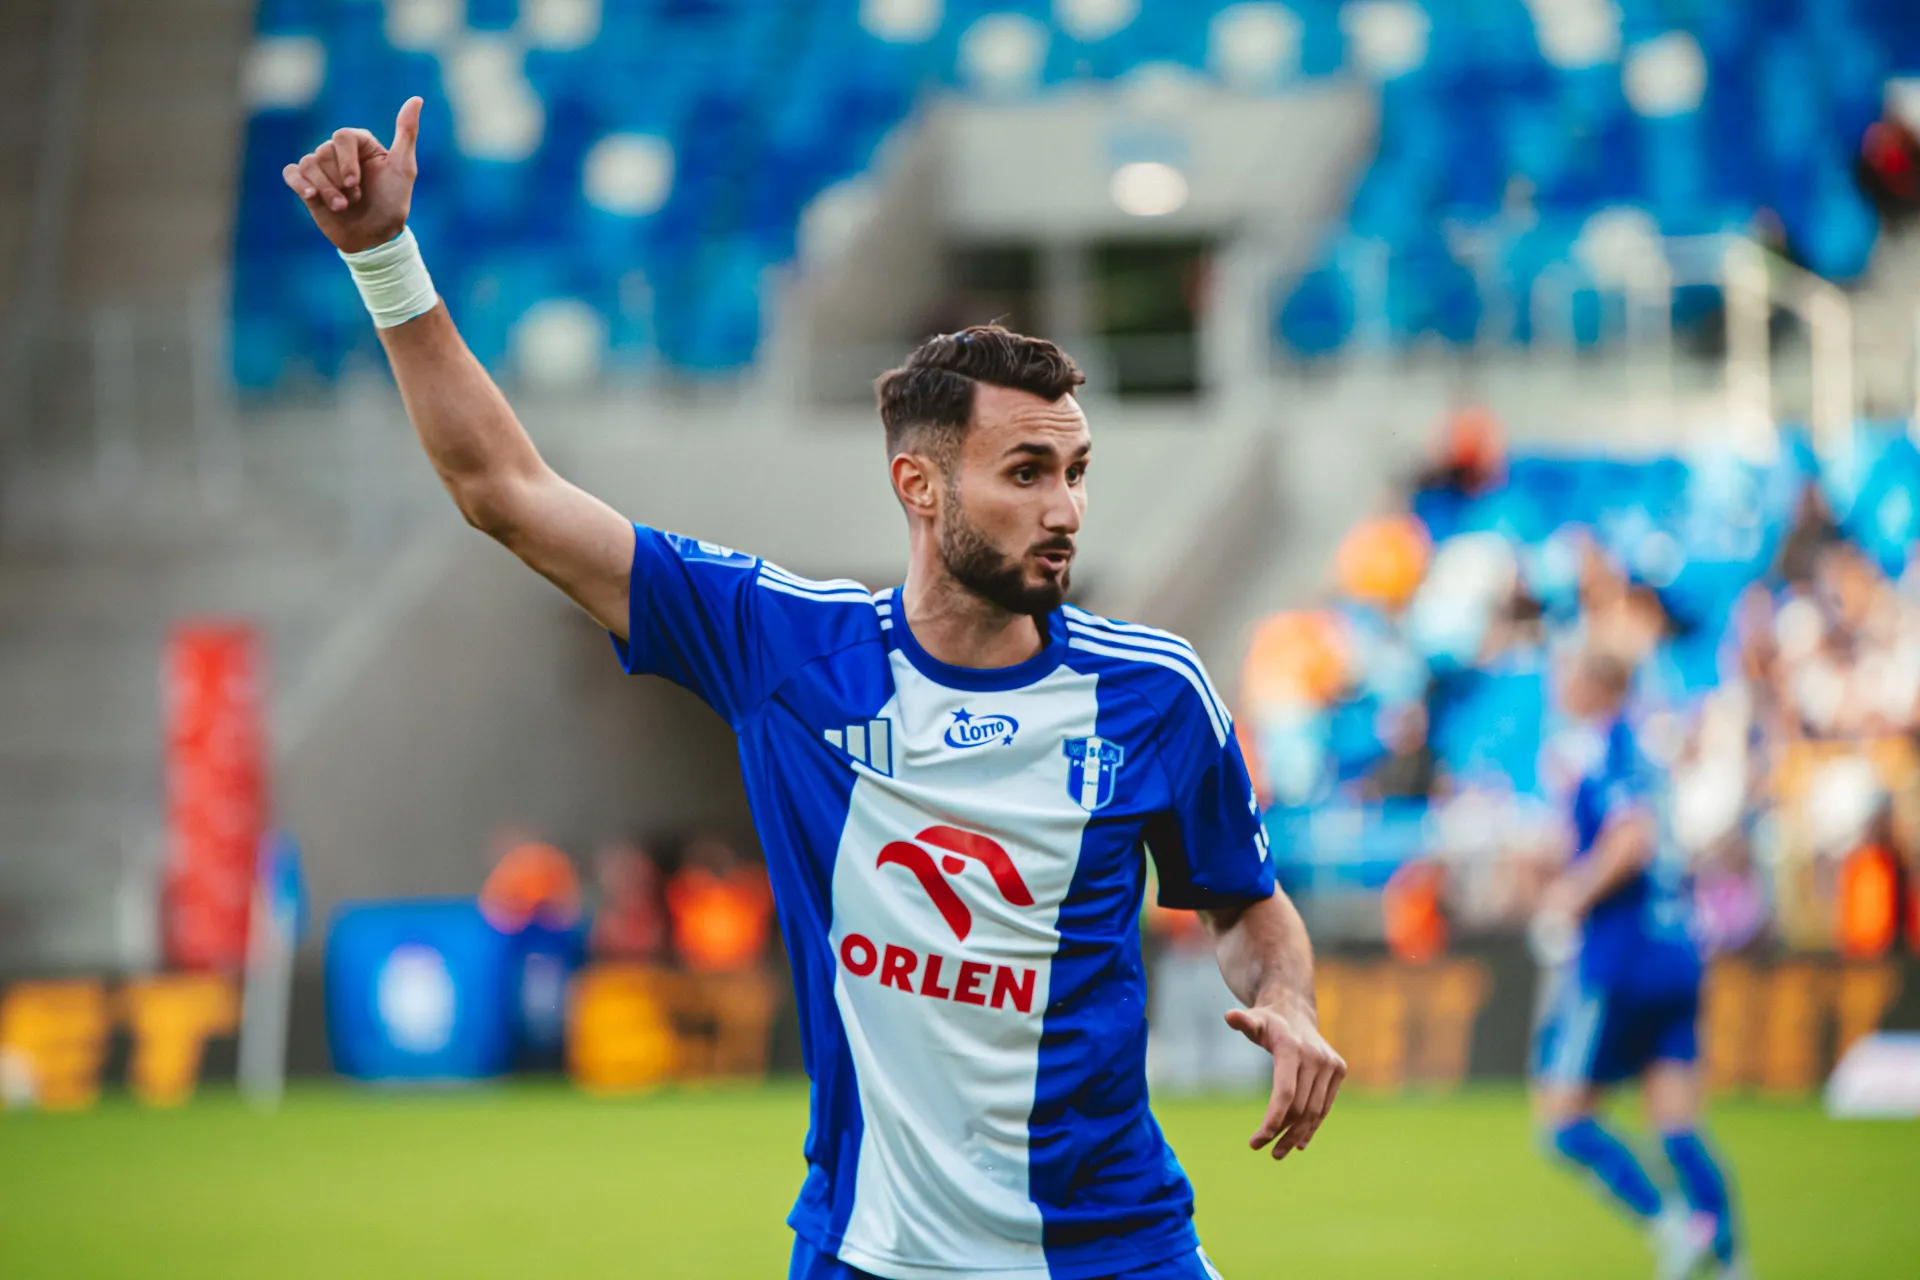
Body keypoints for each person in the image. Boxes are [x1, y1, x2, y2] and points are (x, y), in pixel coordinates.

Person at [282, 101, 1343, 1280]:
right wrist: (385, 258)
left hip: (1116, 1249)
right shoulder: (783, 647)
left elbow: (1246, 904)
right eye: (1027, 471)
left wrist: (1289, 1000)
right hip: (869, 1251)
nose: (1065, 509)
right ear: (919, 485)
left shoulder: (1156, 692)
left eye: (1077, 471)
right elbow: (506, 490)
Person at [1530, 650, 1747, 1280]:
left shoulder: (1608, 749)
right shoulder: (1646, 753)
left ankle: (1675, 1229)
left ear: (1594, 683)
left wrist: (1571, 895)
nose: (1557, 687)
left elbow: (1632, 839)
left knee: (1563, 1123)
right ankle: (1732, 1263)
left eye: (1566, 674)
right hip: (1676, 951)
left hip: (1621, 959)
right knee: (1677, 1124)